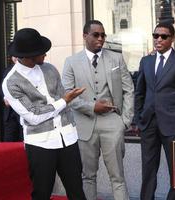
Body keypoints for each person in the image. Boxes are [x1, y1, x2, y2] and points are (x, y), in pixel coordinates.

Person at [2, 28, 87, 200]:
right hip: (41, 143)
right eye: (42, 52)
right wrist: (63, 101)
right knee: (42, 193)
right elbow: (33, 116)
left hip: (67, 138)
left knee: (77, 192)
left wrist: (63, 102)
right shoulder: (10, 82)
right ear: (28, 55)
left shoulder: (50, 69)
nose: (46, 55)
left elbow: (59, 98)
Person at [62, 20, 134, 200]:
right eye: (96, 35)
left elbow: (129, 89)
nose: (100, 39)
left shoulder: (116, 58)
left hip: (113, 122)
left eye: (103, 35)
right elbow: (67, 96)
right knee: (88, 177)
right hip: (84, 125)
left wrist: (124, 121)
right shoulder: (71, 62)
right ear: (85, 36)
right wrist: (91, 107)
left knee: (118, 177)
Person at [134, 22, 175, 200]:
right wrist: (138, 120)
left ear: (172, 38)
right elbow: (139, 93)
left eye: (164, 36)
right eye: (156, 36)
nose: (159, 39)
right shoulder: (146, 61)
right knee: (148, 170)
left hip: (173, 126)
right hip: (148, 125)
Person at [1, 56, 23, 142]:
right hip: (10, 111)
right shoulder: (8, 70)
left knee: (23, 138)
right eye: (14, 56)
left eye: (18, 56)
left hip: (22, 110)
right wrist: (4, 97)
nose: (16, 58)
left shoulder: (28, 69)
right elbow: (2, 86)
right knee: (9, 138)